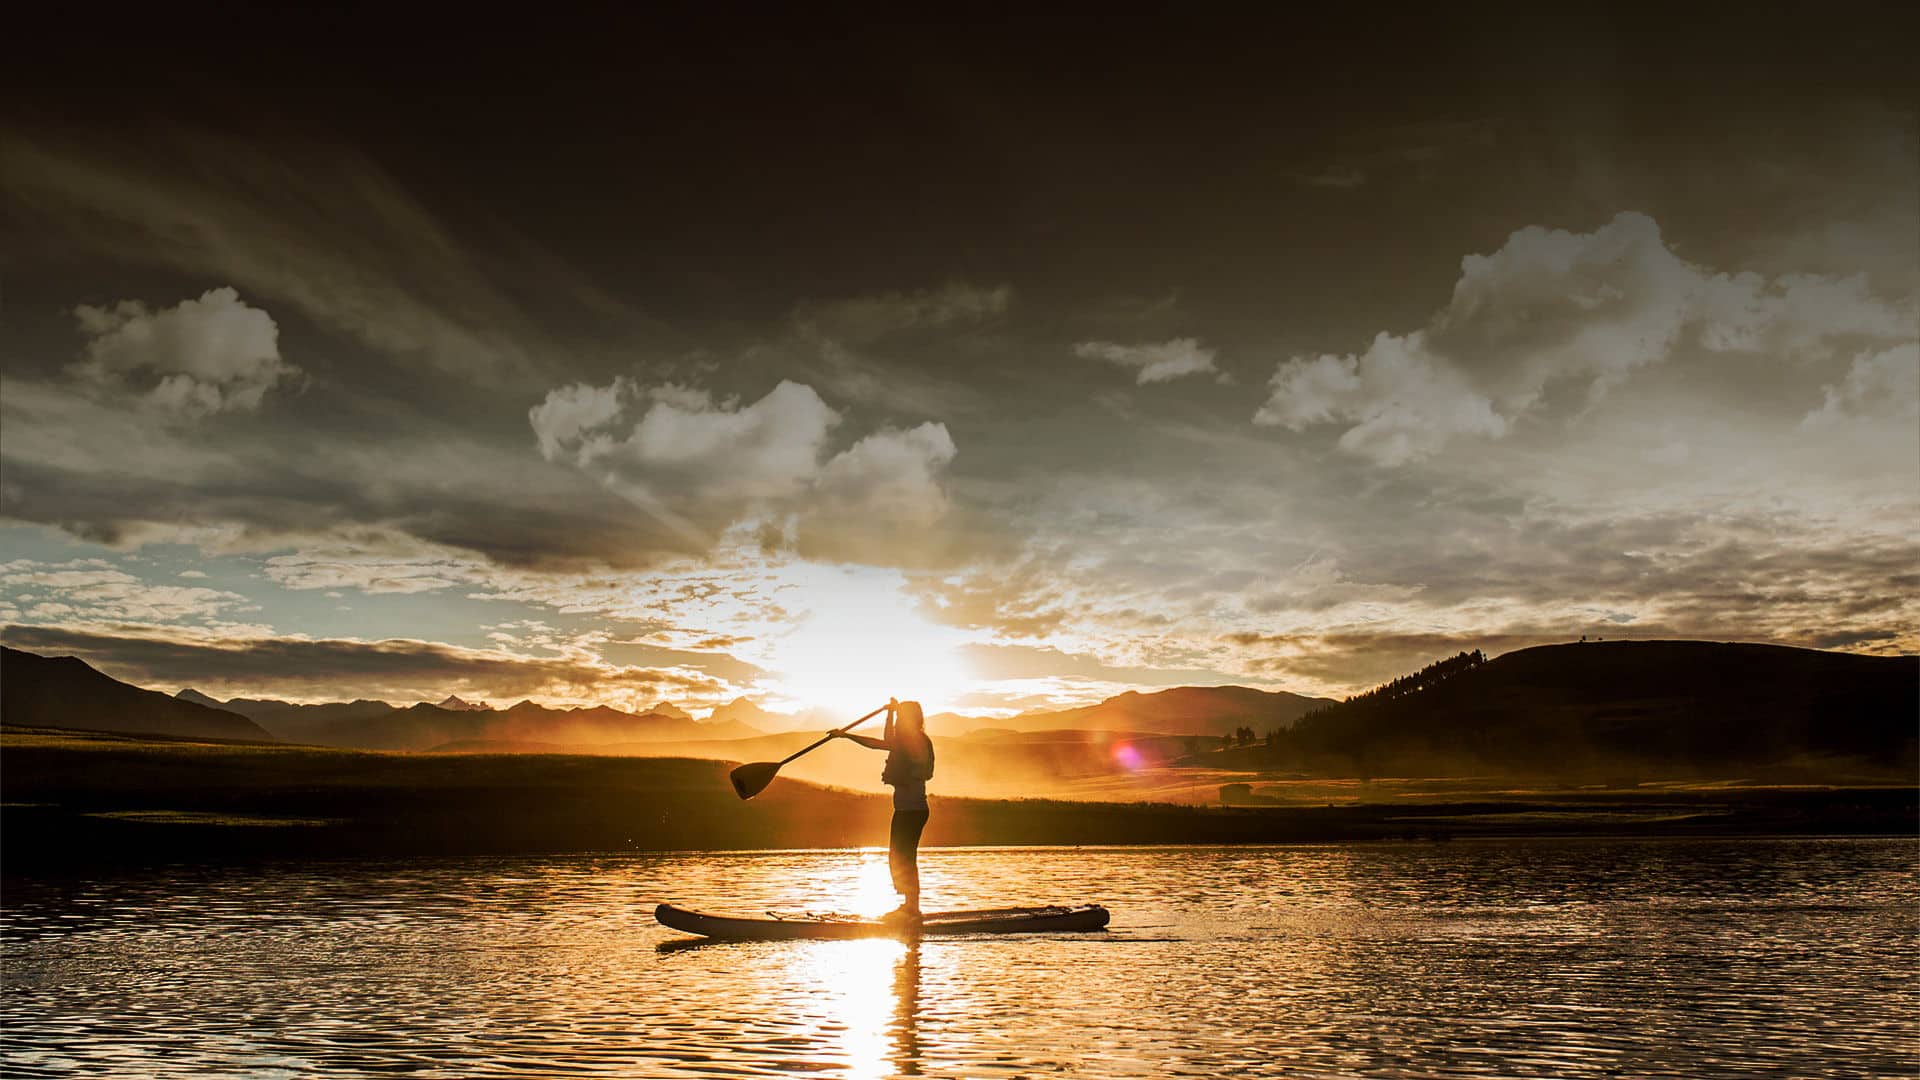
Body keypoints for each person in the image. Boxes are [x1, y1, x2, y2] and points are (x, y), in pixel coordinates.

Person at [833, 698, 935, 921]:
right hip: (906, 809)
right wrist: (888, 714)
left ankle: (912, 909)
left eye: (901, 717)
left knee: (905, 857)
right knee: (898, 856)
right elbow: (884, 741)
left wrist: (847, 735)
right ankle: (909, 906)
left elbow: (924, 770)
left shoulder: (917, 741)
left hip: (914, 810)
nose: (899, 721)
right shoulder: (904, 741)